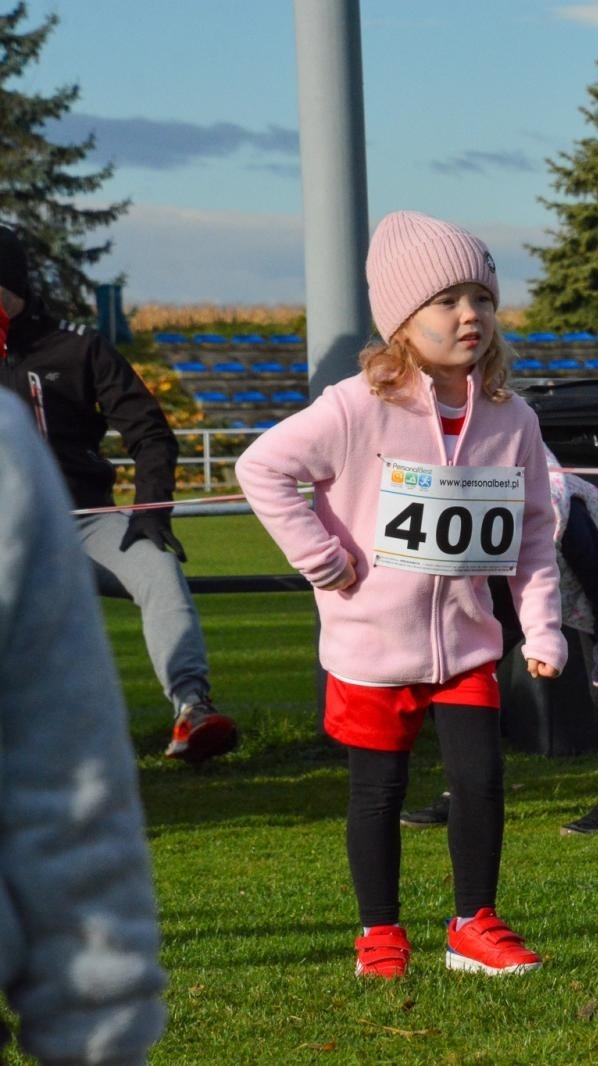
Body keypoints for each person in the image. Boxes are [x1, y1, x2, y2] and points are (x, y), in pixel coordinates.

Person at [236, 211, 567, 978]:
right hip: (370, 648)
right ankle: (378, 932)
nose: (469, 317)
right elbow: (262, 468)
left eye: (481, 299)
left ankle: (473, 924)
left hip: (468, 643)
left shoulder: (512, 417)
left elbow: (534, 533)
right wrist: (323, 560)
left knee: (481, 783)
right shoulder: (354, 406)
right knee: (378, 791)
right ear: (401, 323)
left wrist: (543, 631)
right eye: (446, 302)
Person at [0, 223, 237, 764]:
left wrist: (151, 511)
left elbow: (149, 431)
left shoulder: (79, 347)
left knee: (156, 566)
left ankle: (192, 710)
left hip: (84, 522)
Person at [0, 389, 167, 1064]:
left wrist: (101, 1029)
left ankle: (193, 700)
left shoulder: (7, 448)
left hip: (102, 522)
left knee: (162, 575)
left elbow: (62, 777)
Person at [400, 449, 598, 836]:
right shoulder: (468, 497)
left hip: (593, 591)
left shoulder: (563, 512)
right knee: (458, 673)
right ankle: (466, 786)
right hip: (513, 582)